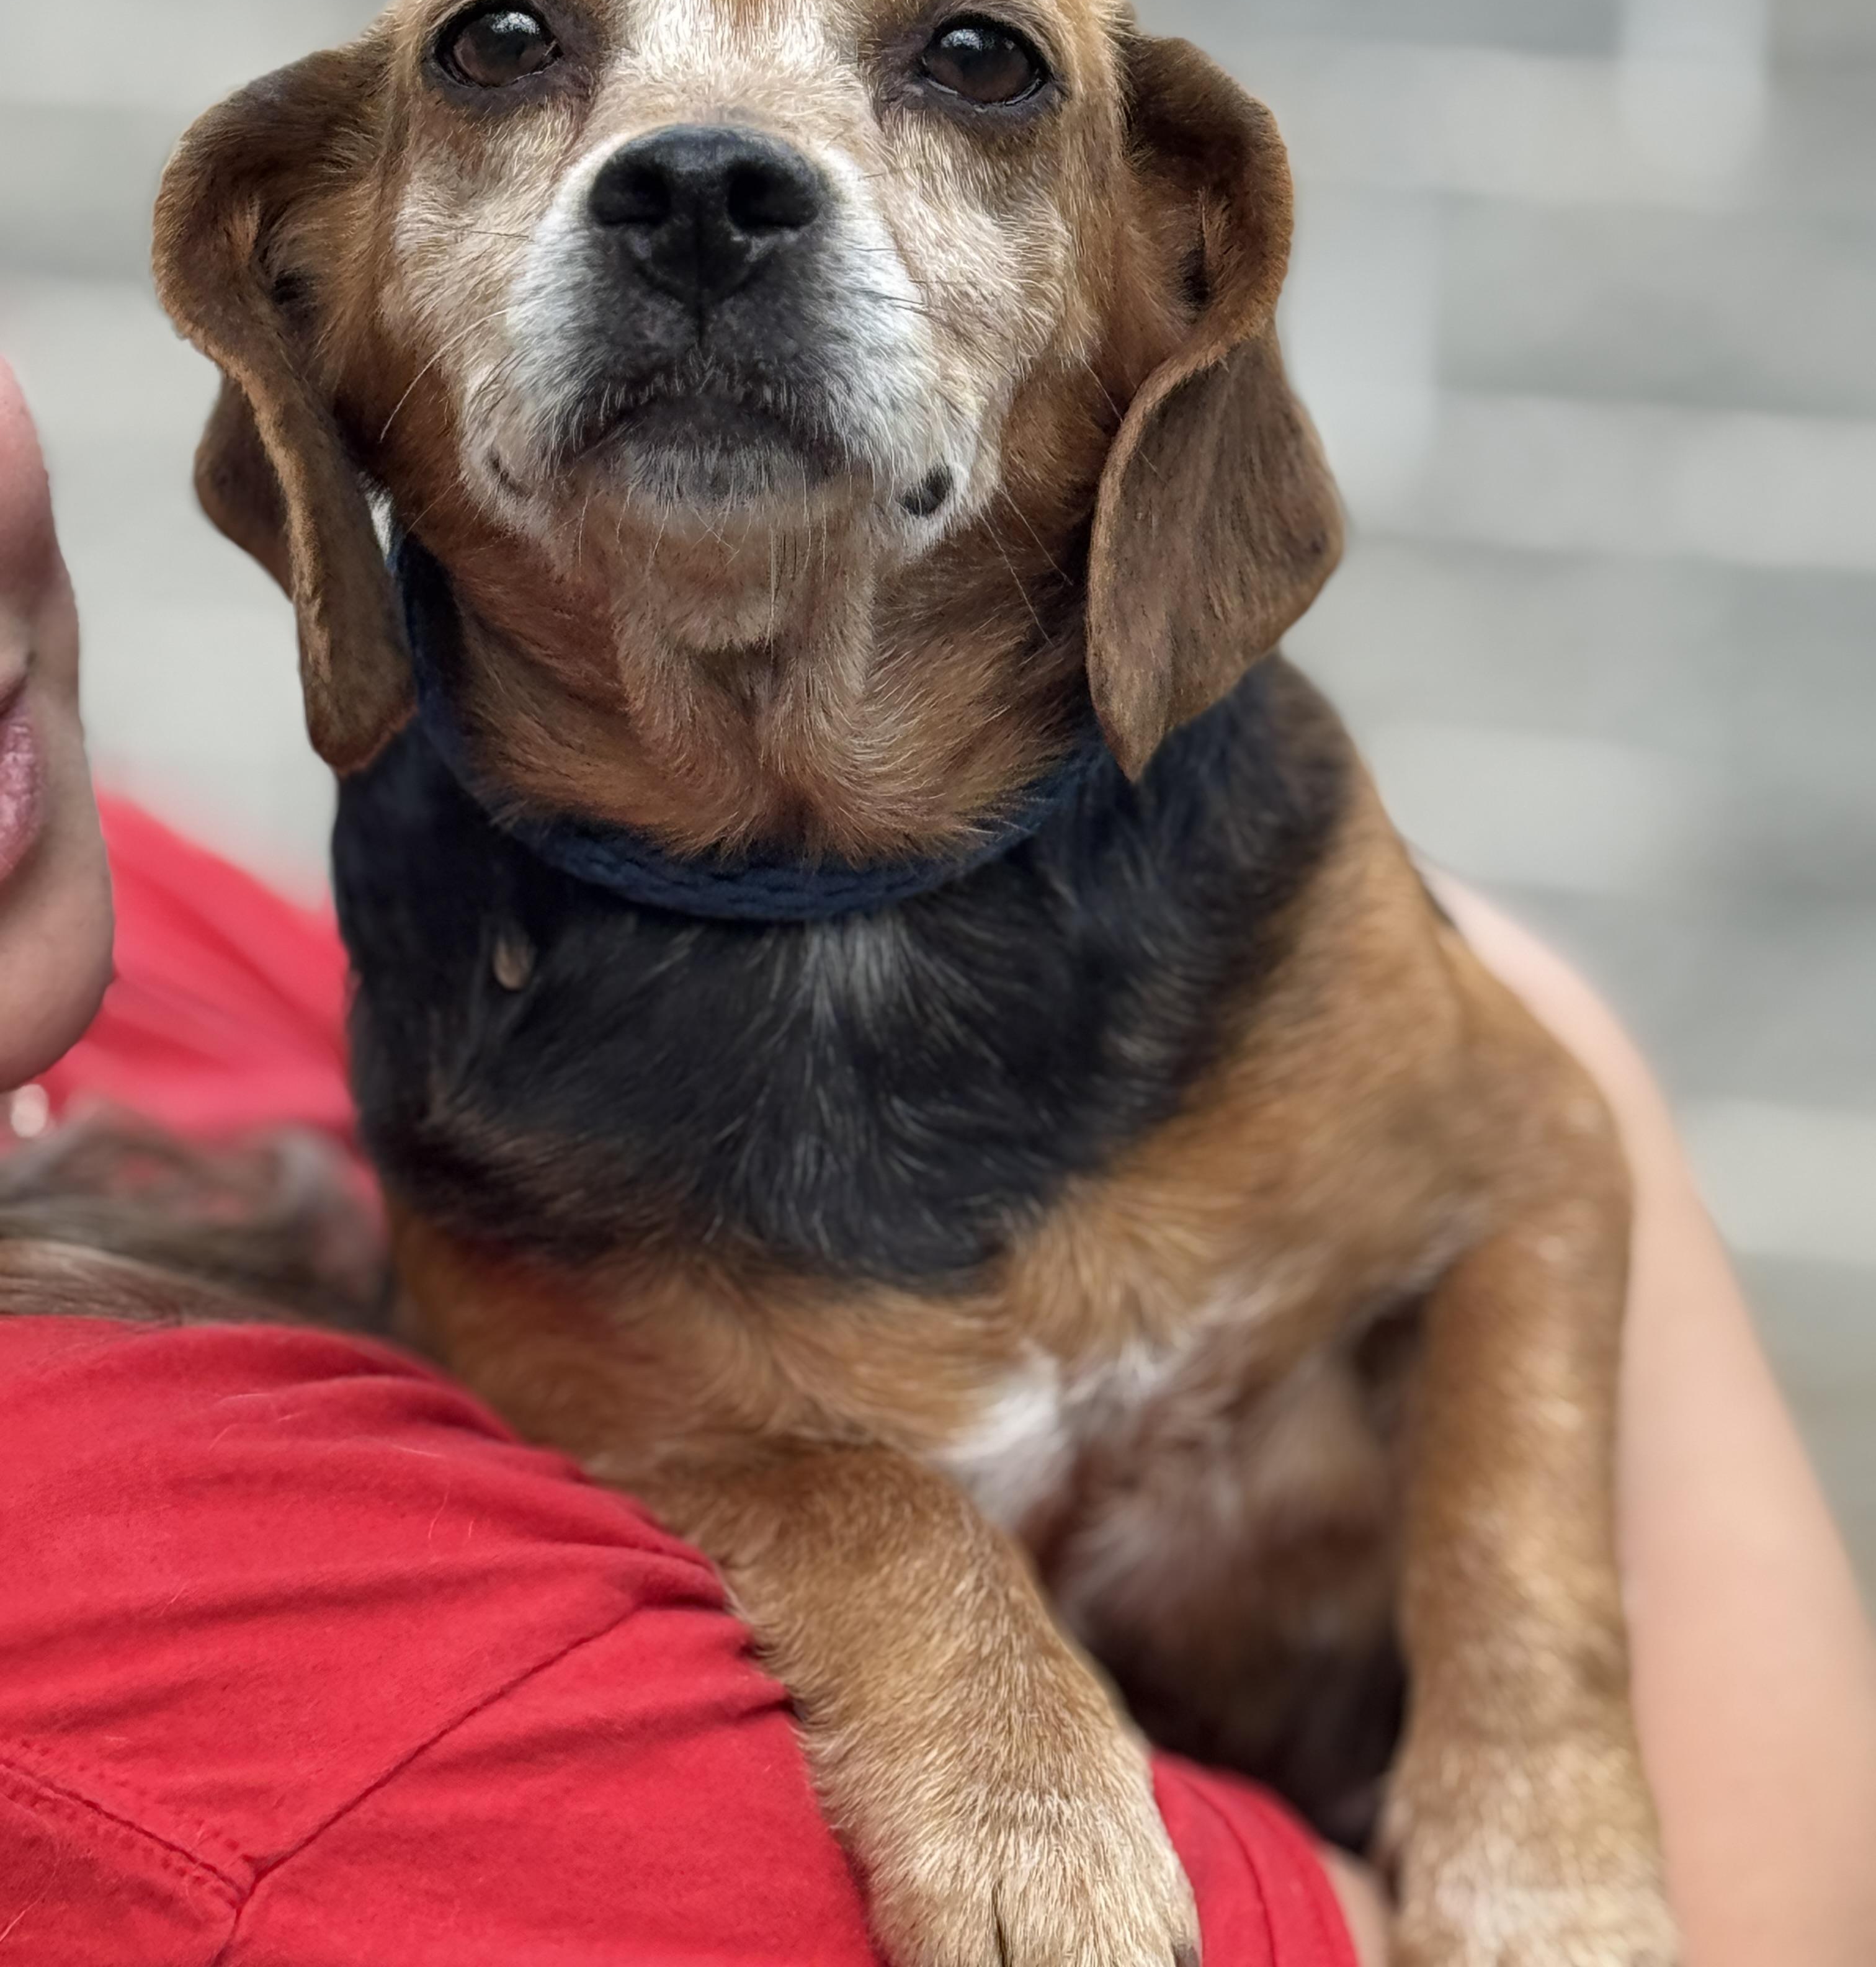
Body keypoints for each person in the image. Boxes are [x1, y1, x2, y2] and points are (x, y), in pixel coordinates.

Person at [1, 350, 1871, 1966]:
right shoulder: (230, 1730)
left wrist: (1524, 1683)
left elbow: (1518, 1145)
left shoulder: (100, 918)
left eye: (969, 81)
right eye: (508, 79)